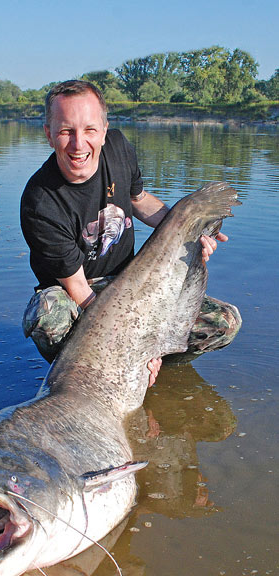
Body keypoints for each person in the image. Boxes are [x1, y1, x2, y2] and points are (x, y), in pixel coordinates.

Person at [20, 80, 241, 385]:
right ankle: (86, 380)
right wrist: (134, 347)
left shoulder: (119, 148)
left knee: (224, 323)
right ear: (48, 134)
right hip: (79, 296)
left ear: (104, 128)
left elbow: (140, 200)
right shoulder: (40, 201)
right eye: (66, 131)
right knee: (46, 315)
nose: (78, 144)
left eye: (89, 130)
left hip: (130, 282)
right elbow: (81, 291)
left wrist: (189, 233)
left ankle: (159, 364)